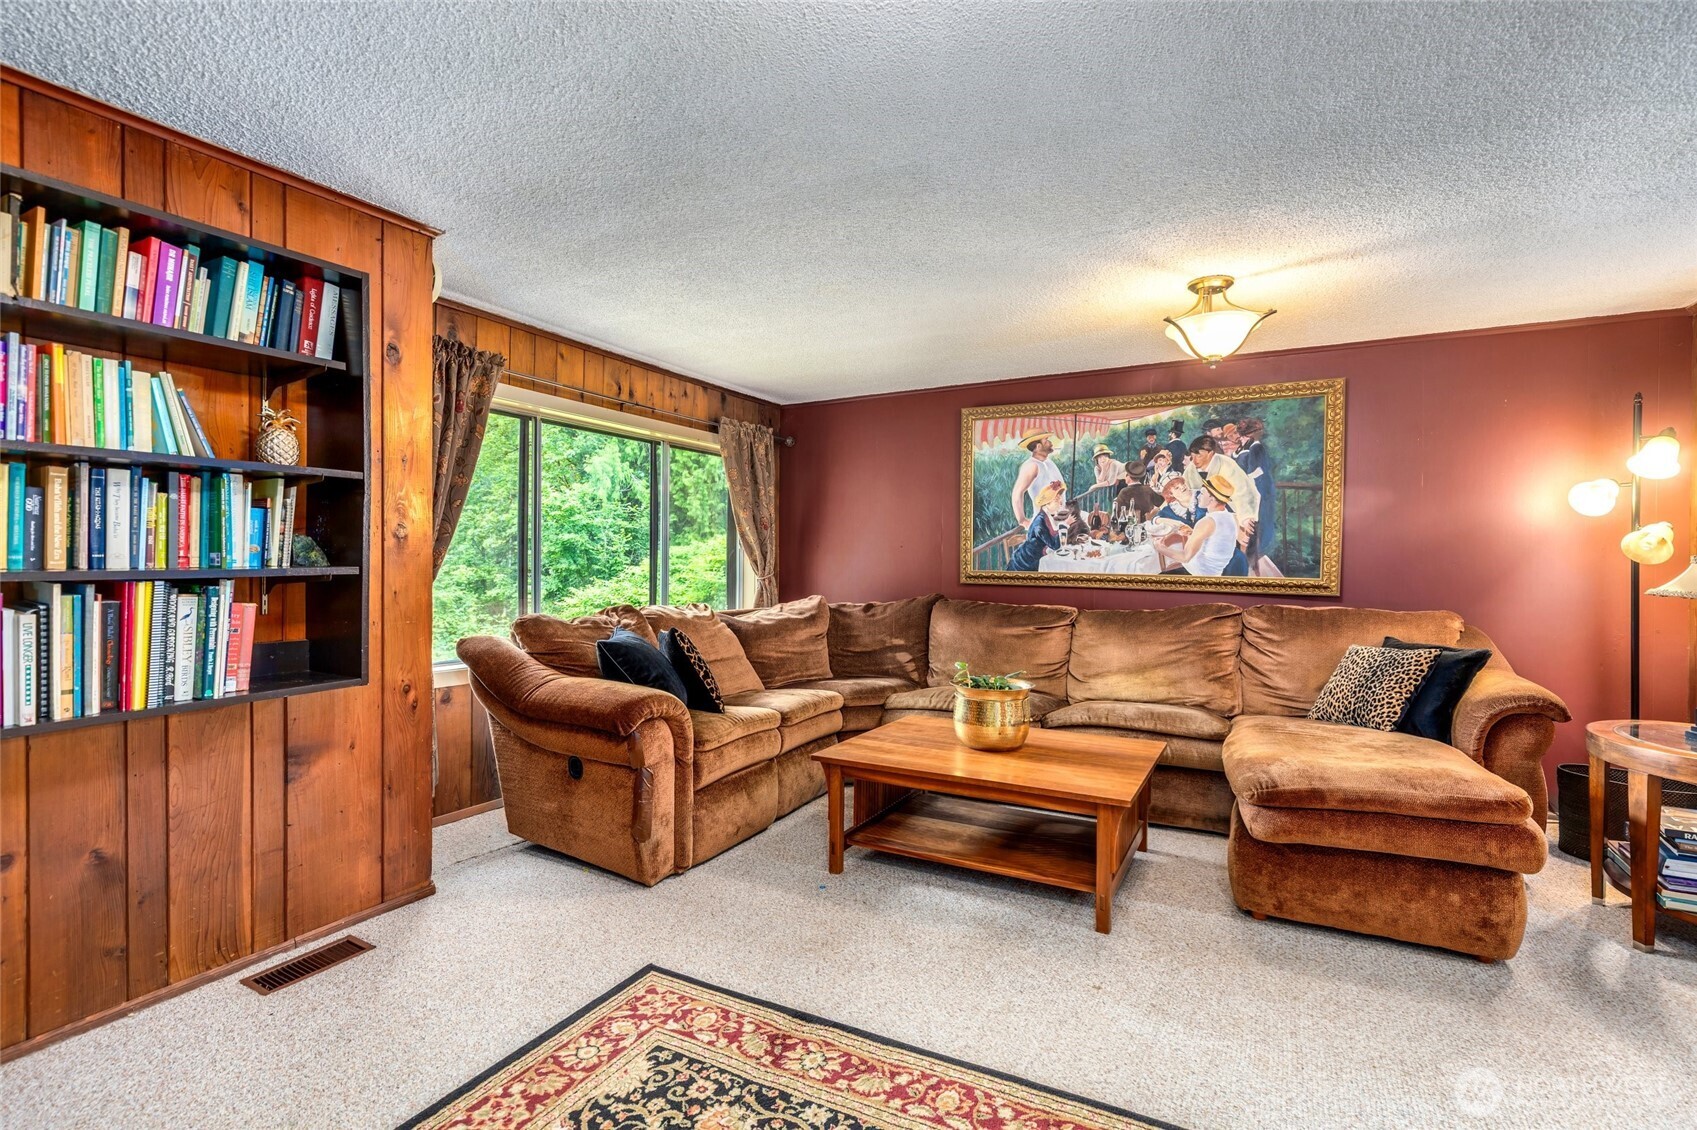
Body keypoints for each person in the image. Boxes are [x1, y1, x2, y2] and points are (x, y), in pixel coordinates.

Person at [1160, 474, 1248, 576]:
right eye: (1176, 488)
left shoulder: (1208, 520)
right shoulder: (1228, 516)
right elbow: (1215, 536)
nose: (1198, 496)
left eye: (1201, 493)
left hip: (1201, 573)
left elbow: (1185, 557)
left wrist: (1160, 548)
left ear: (1211, 498)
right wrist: (1193, 533)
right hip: (1211, 566)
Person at [1183, 434, 1258, 547]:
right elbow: (1183, 488)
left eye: (1198, 456)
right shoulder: (1191, 470)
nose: (1194, 461)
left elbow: (1243, 492)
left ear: (1210, 453)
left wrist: (1244, 519)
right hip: (1203, 518)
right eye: (1192, 456)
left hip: (1230, 513)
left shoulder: (1227, 464)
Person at [1234, 417, 1277, 563]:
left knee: (1257, 523)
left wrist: (1244, 478)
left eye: (1243, 435)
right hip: (1255, 489)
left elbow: (1257, 471)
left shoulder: (1255, 447)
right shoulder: (1249, 448)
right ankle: (1251, 556)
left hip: (1259, 490)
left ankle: (1253, 557)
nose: (1241, 438)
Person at [1010, 428, 1066, 528]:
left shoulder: (1049, 462)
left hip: (1060, 520)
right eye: (1046, 441)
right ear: (1038, 446)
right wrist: (1022, 520)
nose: (1050, 443)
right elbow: (1017, 493)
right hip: (1044, 524)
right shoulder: (1031, 465)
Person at [1008, 480, 1066, 570]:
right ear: (1047, 504)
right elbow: (1055, 545)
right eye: (1056, 500)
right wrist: (1066, 525)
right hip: (1023, 565)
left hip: (1035, 559)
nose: (1061, 503)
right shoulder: (1040, 523)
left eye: (1060, 498)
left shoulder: (1047, 517)